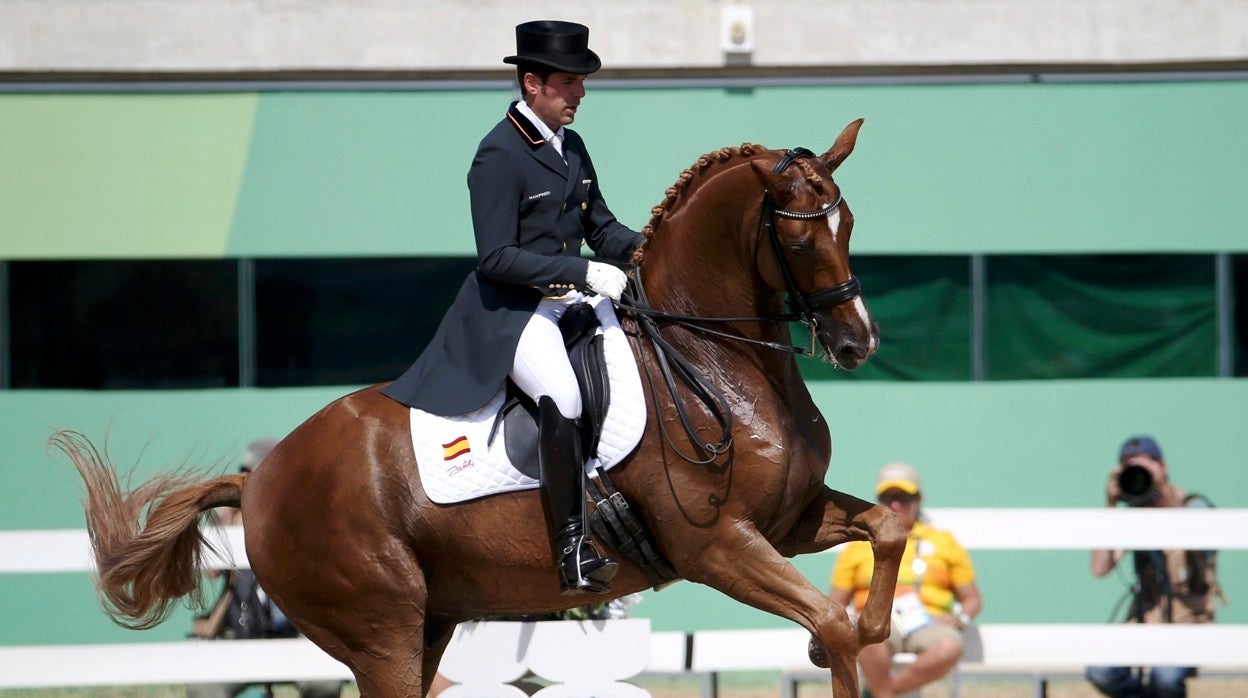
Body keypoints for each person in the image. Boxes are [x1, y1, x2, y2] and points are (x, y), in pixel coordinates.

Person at [381, 20, 644, 596]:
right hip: (513, 314)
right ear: (532, 83)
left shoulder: (571, 147)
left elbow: (601, 226)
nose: (580, 94)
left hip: (573, 304)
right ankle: (571, 548)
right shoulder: (497, 155)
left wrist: (653, 246)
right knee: (565, 397)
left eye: (581, 82)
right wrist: (581, 270)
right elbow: (496, 256)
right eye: (569, 82)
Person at [187, 438, 345, 698]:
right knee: (204, 688)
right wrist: (227, 514)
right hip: (240, 631)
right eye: (246, 474)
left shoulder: (299, 515)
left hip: (295, 632)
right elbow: (211, 570)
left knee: (323, 683)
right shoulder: (233, 520)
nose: (251, 483)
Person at [828, 462, 982, 698]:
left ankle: (884, 693)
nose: (896, 505)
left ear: (918, 500)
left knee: (949, 647)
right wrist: (847, 622)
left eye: (904, 497)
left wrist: (958, 619)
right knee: (866, 637)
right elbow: (836, 600)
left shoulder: (944, 542)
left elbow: (972, 599)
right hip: (878, 621)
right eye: (888, 498)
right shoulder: (858, 546)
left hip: (928, 624)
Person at [1085, 435, 1222, 698]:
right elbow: (1100, 568)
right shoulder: (1134, 515)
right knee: (1100, 669)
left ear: (1163, 466)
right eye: (1129, 467)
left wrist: (1162, 492)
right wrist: (1110, 505)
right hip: (1144, 619)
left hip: (1188, 621)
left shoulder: (1194, 505)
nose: (1138, 473)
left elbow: (1207, 545)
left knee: (1165, 677)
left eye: (1143, 465)